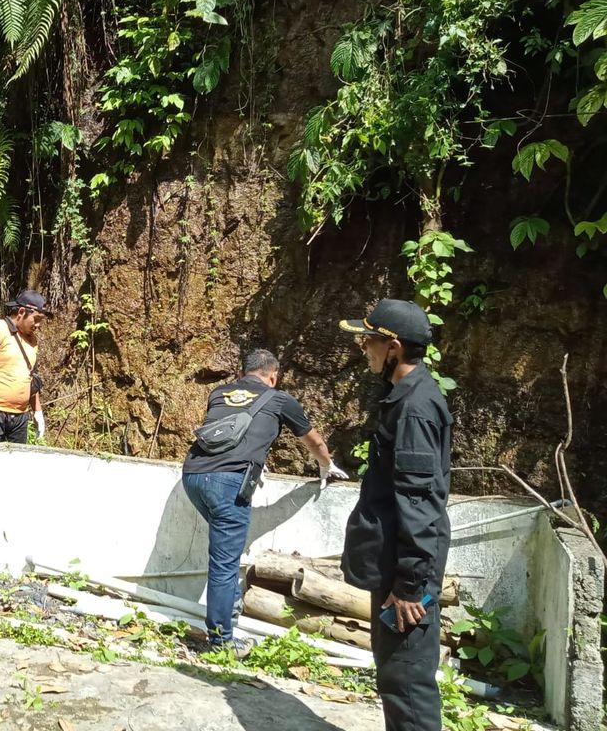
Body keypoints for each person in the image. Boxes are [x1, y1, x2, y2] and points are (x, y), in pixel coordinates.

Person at [181, 349, 344, 657]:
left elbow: (226, 433)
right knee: (224, 562)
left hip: (192, 477)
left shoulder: (219, 392)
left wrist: (254, 460)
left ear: (244, 373)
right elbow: (313, 441)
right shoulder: (280, 399)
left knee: (225, 551)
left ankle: (229, 612)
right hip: (227, 483)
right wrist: (326, 466)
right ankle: (221, 642)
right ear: (273, 375)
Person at [339, 299, 453, 731]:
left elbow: (420, 502)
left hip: (407, 574)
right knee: (395, 675)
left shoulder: (415, 409)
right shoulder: (405, 398)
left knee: (407, 682)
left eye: (368, 339)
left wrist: (409, 586)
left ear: (394, 346)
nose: (363, 347)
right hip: (398, 565)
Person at [0, 290, 50, 447]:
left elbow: (30, 377)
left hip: (20, 416)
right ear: (21, 312)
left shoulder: (32, 340)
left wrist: (37, 412)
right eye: (36, 319)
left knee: (16, 464)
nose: (38, 325)